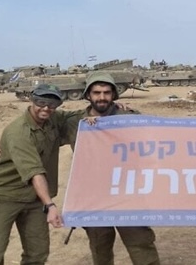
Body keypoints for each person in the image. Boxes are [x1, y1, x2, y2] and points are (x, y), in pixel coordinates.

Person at [62, 71, 161, 265]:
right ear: (88, 95)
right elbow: (46, 129)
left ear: (114, 95)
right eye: (96, 92)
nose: (102, 97)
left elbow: (154, 140)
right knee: (100, 247)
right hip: (94, 197)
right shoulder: (75, 122)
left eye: (107, 92)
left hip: (127, 193)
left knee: (140, 243)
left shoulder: (129, 117)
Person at [0, 84, 73, 265]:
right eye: (41, 102)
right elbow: (35, 172)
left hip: (34, 198)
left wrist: (116, 108)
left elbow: (77, 116)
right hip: (3, 196)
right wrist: (50, 205)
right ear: (32, 100)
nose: (46, 108)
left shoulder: (52, 119)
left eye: (52, 104)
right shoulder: (19, 131)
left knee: (37, 254)